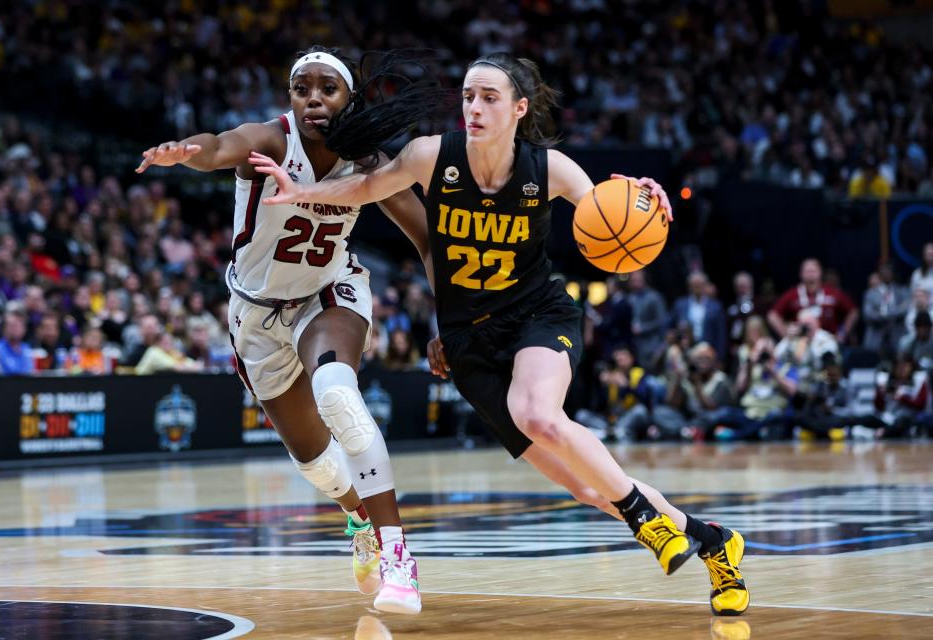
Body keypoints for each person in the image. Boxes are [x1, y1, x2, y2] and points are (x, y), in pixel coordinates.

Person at [252, 52, 749, 616]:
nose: (475, 107)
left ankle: (643, 518)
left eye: (489, 97)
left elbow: (610, 211)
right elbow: (366, 188)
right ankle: (713, 542)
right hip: (471, 343)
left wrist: (647, 201)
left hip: (536, 316)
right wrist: (300, 193)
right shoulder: (431, 156)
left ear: (518, 109)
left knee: (538, 413)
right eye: (468, 96)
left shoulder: (549, 169)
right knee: (587, 487)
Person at [135, 47, 448, 614]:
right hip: (254, 311)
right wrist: (189, 152)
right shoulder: (271, 141)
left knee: (337, 393)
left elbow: (429, 239)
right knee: (316, 464)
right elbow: (219, 146)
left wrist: (447, 316)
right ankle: (357, 517)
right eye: (302, 88)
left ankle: (399, 559)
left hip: (328, 293)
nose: (314, 99)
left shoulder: (372, 162)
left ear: (349, 99)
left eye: (328, 89)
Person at [767, 258, 858, 343]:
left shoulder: (832, 293)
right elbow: (772, 315)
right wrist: (786, 334)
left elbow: (853, 311)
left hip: (828, 341)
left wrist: (842, 334)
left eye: (813, 271)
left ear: (820, 273)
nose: (810, 275)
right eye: (807, 271)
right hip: (800, 343)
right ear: (801, 274)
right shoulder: (792, 294)